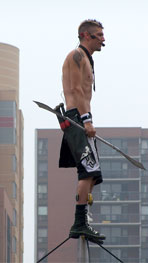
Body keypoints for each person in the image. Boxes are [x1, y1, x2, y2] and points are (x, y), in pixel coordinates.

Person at [59, 19, 106, 242]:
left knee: (94, 174)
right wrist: (86, 121)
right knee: (87, 171)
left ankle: (83, 217)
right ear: (86, 35)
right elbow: (77, 90)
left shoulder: (87, 59)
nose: (103, 39)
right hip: (77, 119)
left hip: (81, 118)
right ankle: (79, 223)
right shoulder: (76, 56)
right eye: (99, 35)